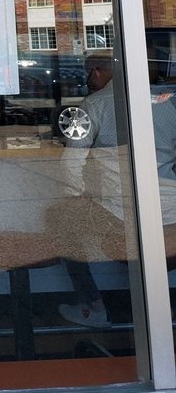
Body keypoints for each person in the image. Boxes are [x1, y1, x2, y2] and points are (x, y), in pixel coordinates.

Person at [51, 51, 176, 328]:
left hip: (120, 216)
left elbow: (71, 164)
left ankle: (93, 306)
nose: (88, 81)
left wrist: (74, 198)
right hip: (170, 215)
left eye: (88, 75)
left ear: (96, 72)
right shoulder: (167, 103)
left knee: (59, 220)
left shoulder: (92, 105)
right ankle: (160, 311)